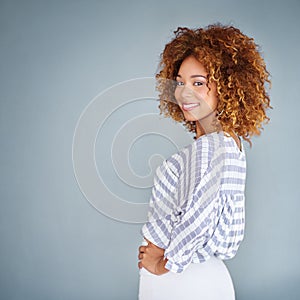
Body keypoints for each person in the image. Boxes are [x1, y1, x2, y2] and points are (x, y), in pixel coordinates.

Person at [137, 24, 271, 300]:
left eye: (198, 83)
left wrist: (164, 264)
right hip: (193, 275)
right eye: (180, 82)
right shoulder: (226, 145)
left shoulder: (214, 147)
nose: (184, 93)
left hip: (182, 278)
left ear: (227, 87)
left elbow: (201, 217)